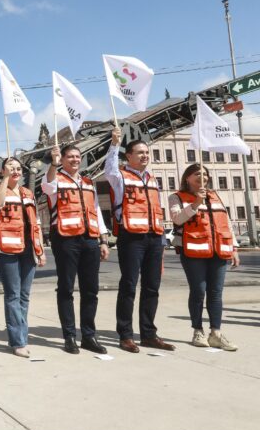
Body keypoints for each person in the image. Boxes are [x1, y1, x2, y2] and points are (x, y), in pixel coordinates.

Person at [105, 127, 174, 353]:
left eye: (147, 152)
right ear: (129, 156)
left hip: (154, 236)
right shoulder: (120, 177)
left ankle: (148, 334)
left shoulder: (152, 179)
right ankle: (125, 335)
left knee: (152, 287)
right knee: (129, 285)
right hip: (131, 237)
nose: (145, 156)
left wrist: (162, 240)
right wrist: (115, 144)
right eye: (140, 152)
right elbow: (109, 168)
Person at [42, 144, 110, 355]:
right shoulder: (55, 179)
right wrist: (53, 164)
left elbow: (96, 210)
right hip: (65, 239)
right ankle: (69, 336)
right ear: (61, 159)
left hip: (89, 238)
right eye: (69, 156)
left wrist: (103, 239)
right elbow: (47, 185)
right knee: (66, 288)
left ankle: (89, 336)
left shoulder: (88, 183)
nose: (74, 160)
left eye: (77, 156)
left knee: (91, 290)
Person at [169, 163, 239, 351]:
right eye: (197, 174)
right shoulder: (176, 197)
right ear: (187, 178)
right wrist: (196, 204)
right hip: (193, 251)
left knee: (216, 293)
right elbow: (177, 219)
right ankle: (197, 330)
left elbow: (226, 222)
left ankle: (216, 333)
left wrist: (234, 247)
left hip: (219, 250)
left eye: (205, 174)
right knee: (198, 291)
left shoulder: (215, 196)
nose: (203, 177)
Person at [0, 157, 46, 358]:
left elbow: (35, 222)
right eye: (10, 167)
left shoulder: (28, 193)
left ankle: (20, 334)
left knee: (24, 295)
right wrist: (5, 179)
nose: (15, 170)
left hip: (27, 248)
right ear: (3, 170)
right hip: (5, 249)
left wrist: (40, 250)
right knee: (13, 294)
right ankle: (18, 341)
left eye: (18, 168)